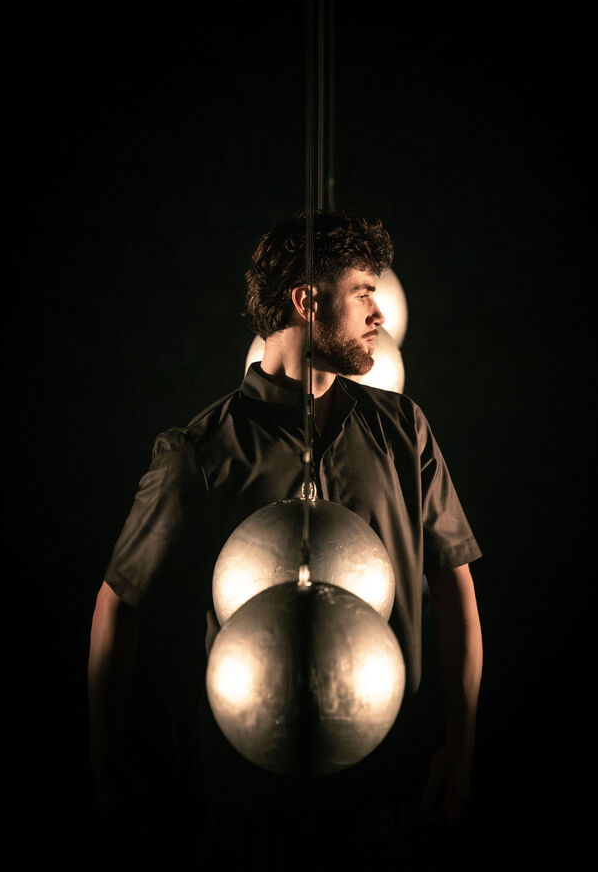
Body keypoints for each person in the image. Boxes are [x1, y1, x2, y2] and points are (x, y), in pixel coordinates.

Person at [88, 210, 483, 865]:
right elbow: (118, 601)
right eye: (363, 293)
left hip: (380, 791)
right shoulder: (201, 451)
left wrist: (462, 742)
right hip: (247, 801)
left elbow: (453, 583)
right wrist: (104, 758)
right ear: (306, 300)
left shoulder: (401, 429)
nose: (380, 314)